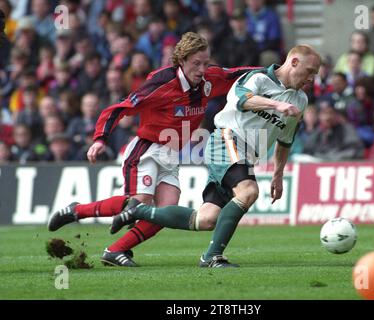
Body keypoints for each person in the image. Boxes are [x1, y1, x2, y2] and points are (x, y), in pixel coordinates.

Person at [47, 32, 256, 267]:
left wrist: (272, 73)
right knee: (139, 202)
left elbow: (238, 74)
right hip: (146, 149)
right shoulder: (161, 83)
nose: (202, 69)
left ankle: (115, 251)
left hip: (171, 154)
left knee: (164, 213)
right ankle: (76, 211)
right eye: (196, 63)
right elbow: (120, 108)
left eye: (206, 63)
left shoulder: (209, 80)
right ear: (181, 61)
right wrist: (100, 139)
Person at [109, 45, 321, 267]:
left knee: (206, 219)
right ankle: (212, 257)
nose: (311, 78)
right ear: (294, 62)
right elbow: (242, 99)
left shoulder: (300, 101)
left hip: (246, 154)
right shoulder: (258, 78)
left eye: (315, 74)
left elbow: (285, 140)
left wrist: (278, 175)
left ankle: (138, 210)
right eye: (309, 71)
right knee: (248, 192)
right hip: (227, 139)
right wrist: (277, 104)